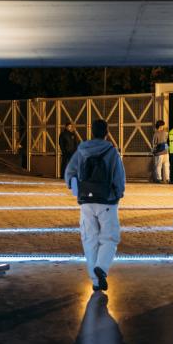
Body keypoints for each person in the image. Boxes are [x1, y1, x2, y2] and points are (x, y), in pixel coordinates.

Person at [64, 119, 126, 291]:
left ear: (91, 132)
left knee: (89, 239)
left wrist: (76, 188)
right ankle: (102, 267)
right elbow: (119, 177)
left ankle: (96, 281)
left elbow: (69, 173)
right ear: (106, 132)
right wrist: (119, 194)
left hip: (86, 201)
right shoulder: (111, 151)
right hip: (107, 200)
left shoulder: (81, 150)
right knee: (110, 237)